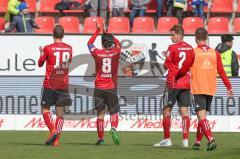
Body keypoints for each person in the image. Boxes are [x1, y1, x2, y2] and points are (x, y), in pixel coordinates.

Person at [191, 28, 233, 151]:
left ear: (196, 38)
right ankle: (198, 142)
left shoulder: (193, 52)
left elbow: (184, 70)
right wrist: (228, 86)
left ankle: (211, 140)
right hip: (210, 88)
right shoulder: (215, 53)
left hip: (198, 87)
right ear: (207, 38)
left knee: (202, 117)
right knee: (202, 117)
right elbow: (222, 71)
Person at [153, 25, 195, 147]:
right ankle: (185, 141)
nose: (171, 37)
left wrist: (167, 56)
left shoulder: (172, 47)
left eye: (172, 35)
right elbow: (190, 64)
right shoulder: (190, 48)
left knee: (166, 110)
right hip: (186, 83)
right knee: (184, 111)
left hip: (173, 83)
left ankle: (167, 139)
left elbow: (166, 66)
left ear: (179, 34)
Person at [87, 22, 121, 145]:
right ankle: (113, 128)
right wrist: (109, 33)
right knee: (114, 111)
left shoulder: (97, 53)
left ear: (102, 43)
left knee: (100, 114)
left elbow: (89, 43)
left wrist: (98, 31)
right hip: (110, 88)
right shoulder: (116, 52)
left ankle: (101, 139)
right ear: (111, 42)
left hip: (99, 88)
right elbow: (118, 43)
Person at [38, 24, 72, 147]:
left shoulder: (47, 48)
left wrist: (42, 53)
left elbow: (40, 64)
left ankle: (53, 130)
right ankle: (56, 141)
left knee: (45, 110)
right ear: (63, 35)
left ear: (52, 35)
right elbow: (68, 63)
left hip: (50, 84)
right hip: (63, 83)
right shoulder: (69, 48)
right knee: (60, 114)